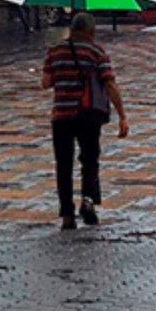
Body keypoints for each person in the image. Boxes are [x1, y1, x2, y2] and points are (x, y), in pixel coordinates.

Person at [42, 13, 129, 230]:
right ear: (91, 31)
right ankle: (88, 201)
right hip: (87, 115)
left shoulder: (55, 51)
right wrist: (122, 116)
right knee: (89, 160)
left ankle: (67, 215)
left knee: (64, 164)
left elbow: (45, 82)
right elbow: (109, 84)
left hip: (61, 116)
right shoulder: (97, 52)